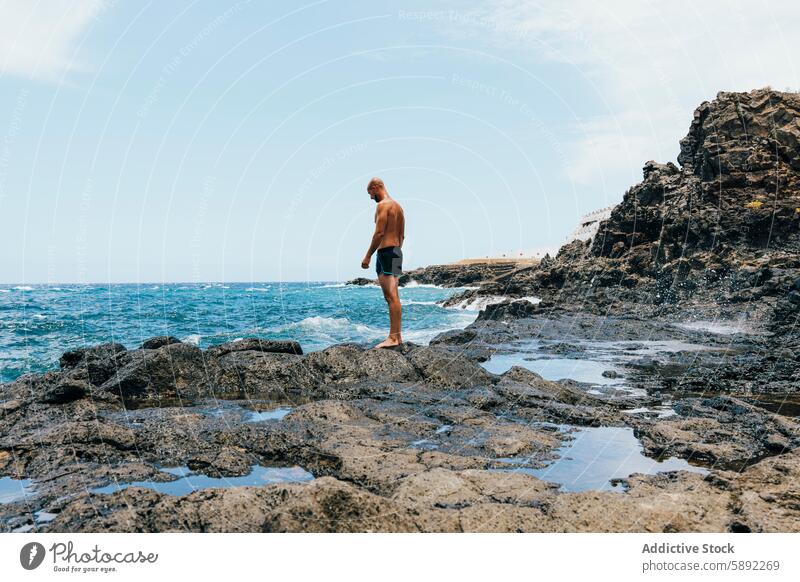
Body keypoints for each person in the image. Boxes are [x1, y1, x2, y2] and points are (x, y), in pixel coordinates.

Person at [361, 177, 405, 348]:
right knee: (395, 296)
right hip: (396, 252)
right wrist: (396, 251)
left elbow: (379, 233)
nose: (370, 197)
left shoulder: (383, 205)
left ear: (375, 187)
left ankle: (393, 338)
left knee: (390, 296)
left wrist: (368, 256)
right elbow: (402, 235)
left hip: (385, 253)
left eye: (370, 193)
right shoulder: (399, 207)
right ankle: (397, 336)